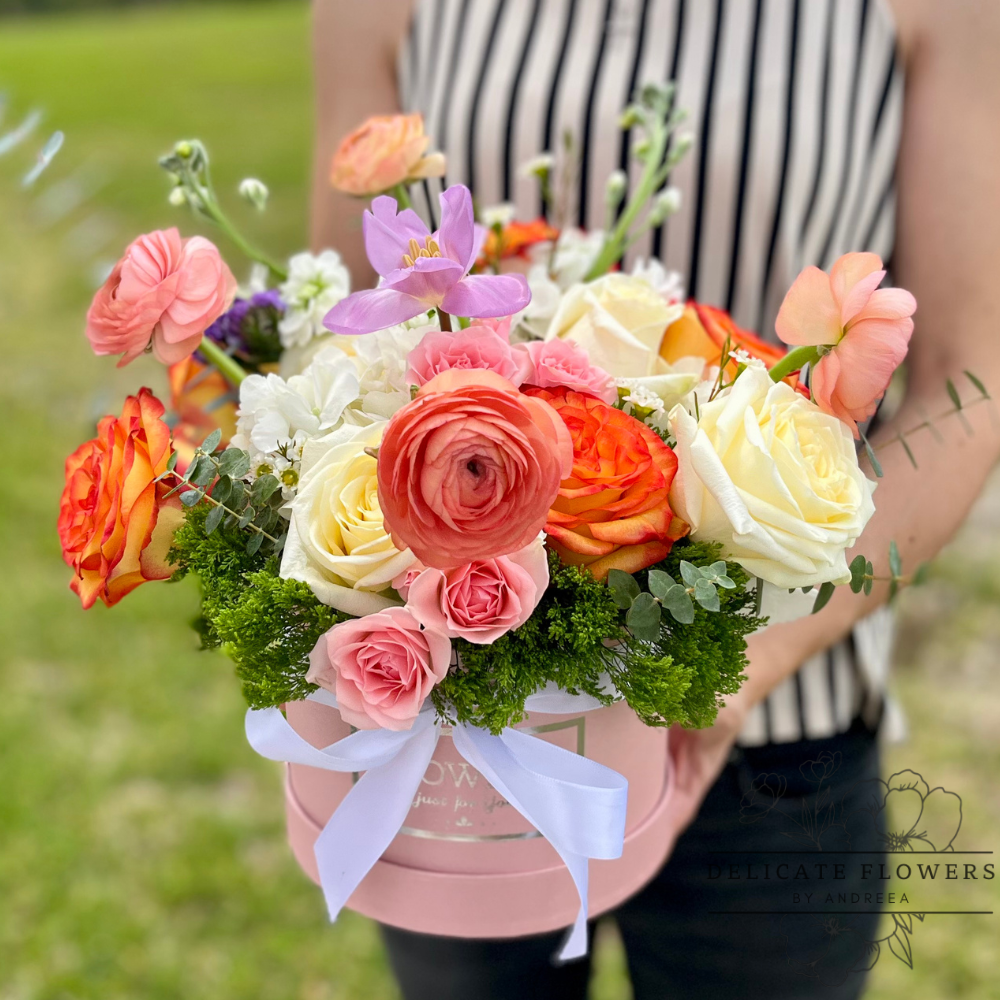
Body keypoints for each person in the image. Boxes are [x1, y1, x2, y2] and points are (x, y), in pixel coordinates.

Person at [310, 1, 1000, 997]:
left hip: (773, 742)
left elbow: (965, 387)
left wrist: (751, 662)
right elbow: (347, 332)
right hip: (467, 741)